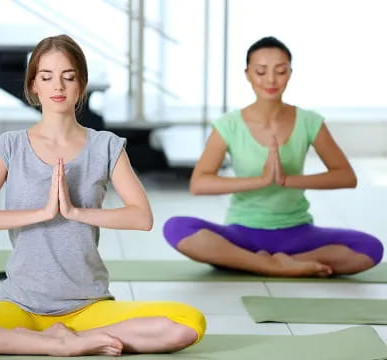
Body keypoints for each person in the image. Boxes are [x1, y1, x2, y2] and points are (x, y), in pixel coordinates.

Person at [0, 35, 205, 357]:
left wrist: (77, 213)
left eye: (69, 77)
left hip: (89, 307)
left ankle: (70, 338)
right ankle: (59, 343)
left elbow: (141, 217)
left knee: (187, 322)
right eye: (47, 77)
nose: (58, 86)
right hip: (21, 308)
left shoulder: (106, 146)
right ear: (33, 85)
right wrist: (42, 212)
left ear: (81, 85)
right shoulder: (10, 146)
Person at [164, 36, 383, 278]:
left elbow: (346, 177)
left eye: (280, 71)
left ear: (290, 73)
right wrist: (261, 180)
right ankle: (274, 266)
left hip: (298, 233)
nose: (270, 80)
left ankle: (259, 263)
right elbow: (199, 184)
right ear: (247, 74)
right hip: (242, 235)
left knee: (370, 248)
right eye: (261, 71)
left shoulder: (309, 122)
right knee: (176, 228)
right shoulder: (228, 125)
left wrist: (287, 180)